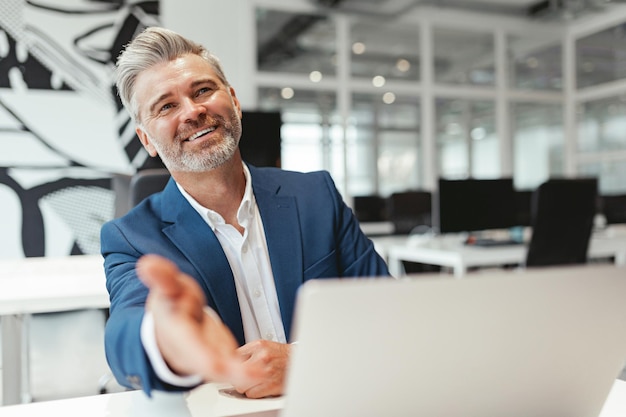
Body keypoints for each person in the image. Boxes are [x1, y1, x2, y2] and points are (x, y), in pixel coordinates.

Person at [100, 26, 389, 399]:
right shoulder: (132, 237)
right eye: (167, 106)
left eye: (202, 90)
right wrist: (165, 338)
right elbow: (125, 334)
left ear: (233, 101)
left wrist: (303, 361)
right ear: (146, 140)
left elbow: (383, 310)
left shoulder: (316, 195)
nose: (193, 111)